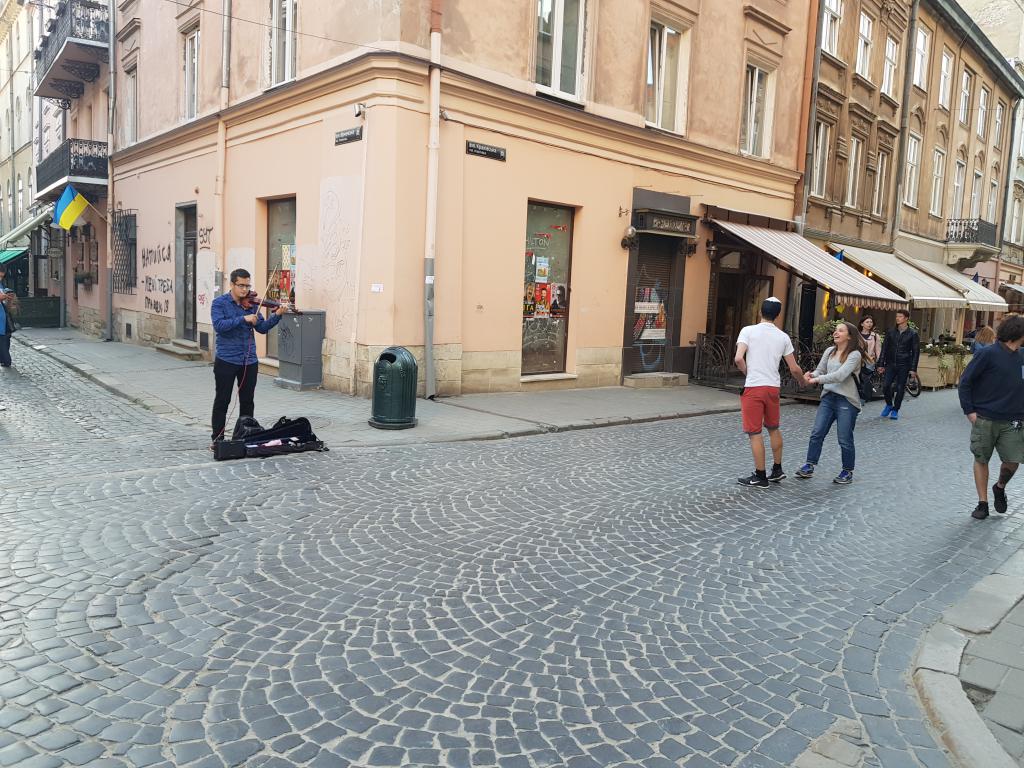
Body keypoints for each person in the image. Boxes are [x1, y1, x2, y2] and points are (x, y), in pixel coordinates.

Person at [958, 315, 1024, 520]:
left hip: (1014, 420)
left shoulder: (1022, 355)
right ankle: (982, 503)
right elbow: (965, 382)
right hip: (985, 417)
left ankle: (999, 486)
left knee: (1013, 461)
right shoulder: (988, 354)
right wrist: (970, 412)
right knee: (981, 458)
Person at [210, 268, 286, 445]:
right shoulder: (219, 303)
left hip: (249, 361)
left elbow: (261, 328)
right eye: (241, 285)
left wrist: (277, 316)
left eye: (247, 285)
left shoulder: (251, 304)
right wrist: (243, 319)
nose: (245, 290)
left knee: (247, 401)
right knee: (222, 401)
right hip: (226, 360)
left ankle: (245, 436)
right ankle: (218, 439)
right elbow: (219, 326)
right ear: (232, 285)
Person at [734, 297, 805, 488]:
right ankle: (777, 469)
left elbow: (739, 358)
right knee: (773, 427)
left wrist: (748, 372)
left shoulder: (748, 331)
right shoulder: (783, 337)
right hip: (773, 387)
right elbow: (794, 368)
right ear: (777, 315)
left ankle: (760, 476)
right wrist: (803, 381)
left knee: (754, 432)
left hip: (754, 387)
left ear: (760, 312)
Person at [796, 322, 865, 485]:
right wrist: (811, 374)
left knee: (844, 438)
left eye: (841, 331)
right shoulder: (830, 351)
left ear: (849, 336)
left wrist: (816, 380)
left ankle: (847, 470)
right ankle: (809, 465)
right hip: (828, 397)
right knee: (817, 432)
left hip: (847, 400)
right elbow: (821, 370)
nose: (836, 332)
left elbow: (840, 376)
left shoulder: (854, 355)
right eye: (836, 330)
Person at [877, 309, 919, 420]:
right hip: (890, 363)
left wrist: (913, 369)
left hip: (904, 364)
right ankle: (889, 404)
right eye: (897, 316)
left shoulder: (913, 334)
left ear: (906, 318)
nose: (897, 318)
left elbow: (915, 352)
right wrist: (881, 364)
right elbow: (884, 349)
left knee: (900, 388)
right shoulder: (891, 332)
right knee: (886, 385)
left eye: (900, 316)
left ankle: (895, 409)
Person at [858, 316, 881, 402]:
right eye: (867, 322)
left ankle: (865, 396)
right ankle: (861, 394)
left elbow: (878, 350)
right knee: (858, 378)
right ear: (862, 324)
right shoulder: (857, 335)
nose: (869, 324)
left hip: (870, 361)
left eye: (871, 322)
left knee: (866, 378)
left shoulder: (875, 336)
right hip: (858, 360)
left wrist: (879, 362)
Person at [0, 263, 14, 368]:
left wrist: (7, 295)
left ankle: (5, 360)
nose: (0, 278)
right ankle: (6, 360)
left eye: (2, 276)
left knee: (5, 338)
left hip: (3, 317)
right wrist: (3, 297)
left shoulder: (1, 284)